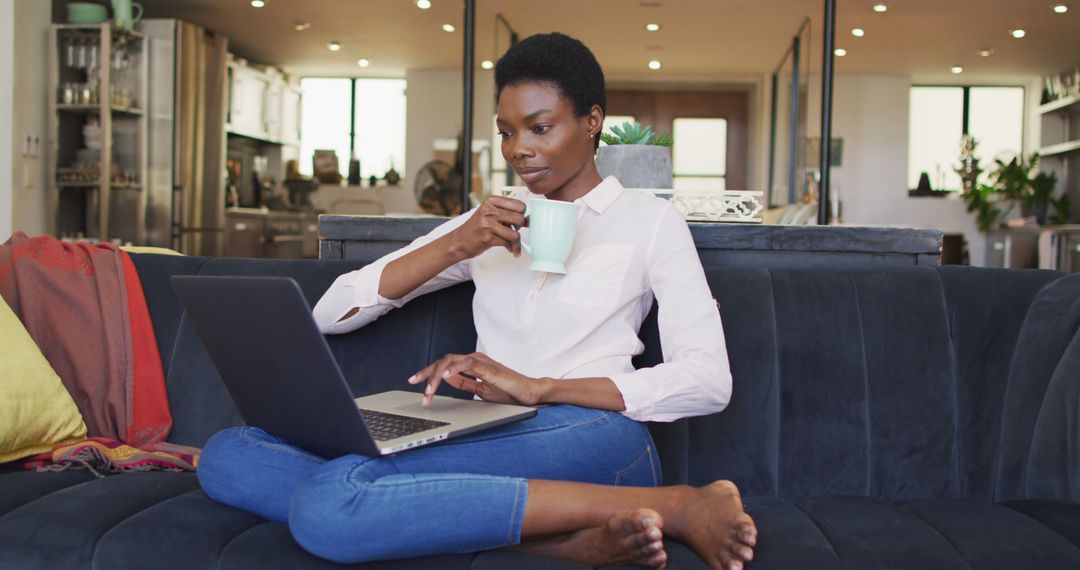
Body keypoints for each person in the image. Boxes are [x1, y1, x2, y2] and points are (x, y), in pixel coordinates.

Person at [197, 32, 757, 570]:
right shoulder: (486, 222)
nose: (520, 150)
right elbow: (329, 313)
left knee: (330, 502)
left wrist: (542, 388)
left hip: (592, 433)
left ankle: (678, 502)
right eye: (507, 132)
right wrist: (456, 244)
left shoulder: (649, 221)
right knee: (229, 453)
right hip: (483, 426)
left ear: (591, 122)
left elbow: (708, 379)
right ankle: (557, 544)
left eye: (540, 128)